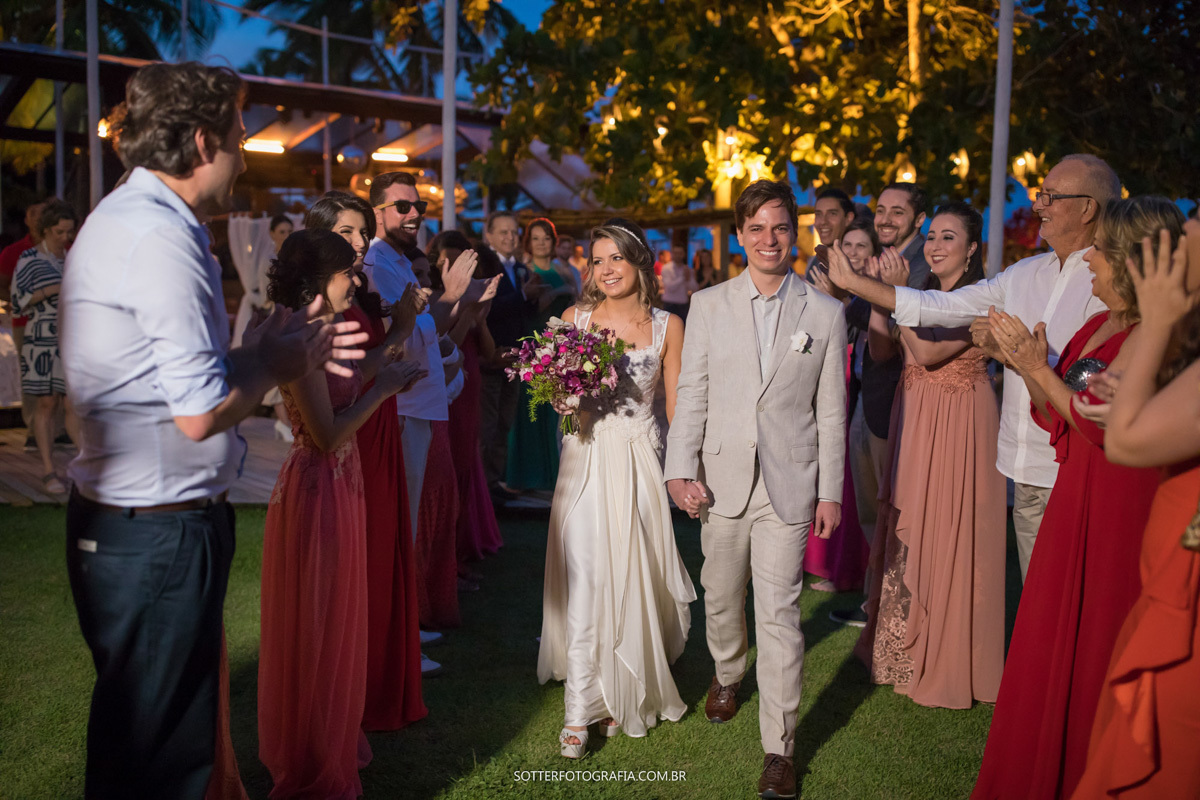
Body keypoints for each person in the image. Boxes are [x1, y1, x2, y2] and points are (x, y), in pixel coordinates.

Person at [60, 62, 367, 800]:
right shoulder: (161, 237)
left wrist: (255, 351)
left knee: (143, 743)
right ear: (203, 142)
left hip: (134, 521)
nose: (244, 150)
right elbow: (198, 411)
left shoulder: (131, 219)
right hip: (157, 530)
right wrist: (273, 359)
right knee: (168, 759)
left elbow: (169, 376)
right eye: (239, 134)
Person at [971, 197, 1183, 800]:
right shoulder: (1099, 325)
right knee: (1049, 640)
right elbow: (1059, 414)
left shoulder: (1157, 342)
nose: (1089, 260)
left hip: (1125, 507)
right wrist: (1026, 366)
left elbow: (1104, 427)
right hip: (1076, 497)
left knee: (1099, 640)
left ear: (1130, 260)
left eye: (1102, 251)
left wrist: (1037, 370)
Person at [827, 155, 1120, 582]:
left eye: (1050, 197)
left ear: (1088, 208)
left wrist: (1011, 353)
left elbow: (1089, 377)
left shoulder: (1107, 281)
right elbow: (941, 306)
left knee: (1080, 593)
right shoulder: (1024, 272)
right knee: (1036, 593)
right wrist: (860, 285)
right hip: (1020, 464)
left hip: (1076, 469)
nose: (1038, 206)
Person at [665, 179, 847, 799]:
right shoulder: (709, 304)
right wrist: (678, 468)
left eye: (780, 228)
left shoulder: (825, 312)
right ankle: (726, 672)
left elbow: (831, 411)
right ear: (740, 236)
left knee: (780, 615)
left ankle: (780, 749)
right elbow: (693, 393)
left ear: (794, 235)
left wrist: (831, 491)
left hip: (790, 486)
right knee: (720, 597)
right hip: (720, 480)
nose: (770, 240)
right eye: (757, 229)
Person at [258, 229, 424, 798]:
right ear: (317, 278)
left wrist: (397, 347)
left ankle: (332, 732)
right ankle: (310, 753)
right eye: (348, 271)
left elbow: (359, 370)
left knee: (338, 618)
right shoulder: (300, 338)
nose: (357, 281)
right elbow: (326, 434)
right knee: (320, 622)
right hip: (319, 485)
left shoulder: (325, 330)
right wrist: (386, 392)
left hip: (342, 481)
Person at [538, 218, 695, 757]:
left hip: (639, 461)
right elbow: (556, 398)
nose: (606, 270)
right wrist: (564, 400)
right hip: (584, 460)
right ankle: (579, 712)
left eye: (616, 259)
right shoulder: (572, 318)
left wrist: (686, 469)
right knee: (586, 579)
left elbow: (676, 408)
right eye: (597, 260)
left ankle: (617, 692)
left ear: (639, 263)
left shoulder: (669, 326)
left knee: (632, 577)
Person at [843, 201, 1005, 710]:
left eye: (948, 237)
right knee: (907, 522)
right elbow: (887, 353)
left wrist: (894, 299)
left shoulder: (980, 298)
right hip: (914, 414)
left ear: (972, 248)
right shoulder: (924, 295)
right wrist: (882, 302)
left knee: (948, 528)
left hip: (959, 418)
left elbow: (933, 354)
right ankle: (900, 651)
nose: (934, 245)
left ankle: (950, 655)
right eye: (931, 236)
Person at [1066, 218, 1200, 800]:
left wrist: (1161, 316)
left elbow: (1126, 441)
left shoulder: (1163, 321)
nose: (1168, 257)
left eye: (1185, 244)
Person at [303, 191, 430, 727]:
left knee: (381, 555)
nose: (359, 243)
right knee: (362, 564)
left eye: (361, 232)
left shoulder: (354, 291)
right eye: (348, 234)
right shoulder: (325, 303)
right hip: (352, 433)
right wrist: (400, 331)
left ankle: (377, 678)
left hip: (369, 430)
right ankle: (359, 687)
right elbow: (357, 373)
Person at [428, 231, 504, 571]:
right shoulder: (435, 300)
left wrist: (479, 318)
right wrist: (467, 310)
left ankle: (460, 546)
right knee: (450, 464)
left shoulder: (472, 296)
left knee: (466, 459)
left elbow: (487, 351)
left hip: (470, 378)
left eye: (461, 261)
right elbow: (445, 345)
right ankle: (447, 556)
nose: (454, 266)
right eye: (447, 260)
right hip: (445, 383)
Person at [11, 199, 79, 493]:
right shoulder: (29, 259)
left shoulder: (73, 258)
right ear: (46, 230)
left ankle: (85, 463)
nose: (66, 238)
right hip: (40, 336)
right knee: (47, 402)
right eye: (61, 232)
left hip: (71, 335)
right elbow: (18, 302)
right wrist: (52, 289)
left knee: (73, 402)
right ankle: (49, 470)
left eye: (70, 232)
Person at [507, 217, 572, 492]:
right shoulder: (524, 270)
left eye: (546, 237)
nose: (542, 243)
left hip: (557, 346)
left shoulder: (564, 270)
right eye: (535, 238)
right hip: (530, 346)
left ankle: (547, 476)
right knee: (527, 410)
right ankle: (524, 477)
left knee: (550, 412)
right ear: (528, 242)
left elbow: (577, 302)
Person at [479, 210, 539, 504]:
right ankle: (482, 485)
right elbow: (487, 309)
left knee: (505, 422)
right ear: (488, 235)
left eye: (514, 232)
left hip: (515, 359)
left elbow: (521, 311)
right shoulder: (485, 266)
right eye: (502, 232)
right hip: (489, 357)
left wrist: (536, 299)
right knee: (487, 424)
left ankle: (494, 480)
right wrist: (524, 297)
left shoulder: (521, 269)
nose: (509, 237)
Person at [0, 197, 47, 446]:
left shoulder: (67, 248)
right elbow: (2, 285)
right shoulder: (13, 252)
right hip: (25, 322)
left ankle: (57, 428)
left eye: (44, 214)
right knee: (31, 377)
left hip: (59, 322)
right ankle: (32, 430)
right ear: (27, 220)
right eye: (35, 215)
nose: (40, 220)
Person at [805, 187, 856, 277]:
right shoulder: (814, 263)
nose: (823, 221)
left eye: (832, 213)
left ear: (848, 218)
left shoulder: (857, 260)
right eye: (818, 214)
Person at [659, 243, 697, 319]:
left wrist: (688, 278)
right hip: (669, 304)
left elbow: (694, 288)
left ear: (684, 254)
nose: (678, 255)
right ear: (672, 254)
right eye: (676, 253)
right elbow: (670, 287)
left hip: (683, 305)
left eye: (680, 253)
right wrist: (683, 277)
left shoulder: (687, 269)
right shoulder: (666, 268)